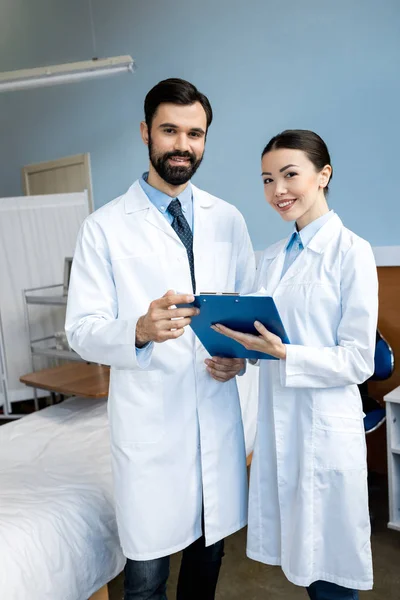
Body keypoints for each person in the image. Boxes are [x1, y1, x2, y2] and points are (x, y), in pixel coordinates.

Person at [65, 78, 256, 600]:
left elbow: (249, 312)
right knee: (146, 576)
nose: (182, 145)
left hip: (214, 414)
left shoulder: (229, 220)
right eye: (170, 130)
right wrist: (139, 331)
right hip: (150, 425)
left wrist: (238, 359)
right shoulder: (104, 227)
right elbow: (80, 330)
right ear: (146, 132)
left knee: (207, 560)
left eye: (195, 133)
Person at [212, 130, 378, 600]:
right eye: (267, 180)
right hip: (281, 424)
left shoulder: (352, 252)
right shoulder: (271, 260)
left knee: (331, 563)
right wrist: (240, 361)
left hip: (325, 426)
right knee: (304, 560)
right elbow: (266, 342)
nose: (277, 191)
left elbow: (358, 358)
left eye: (289, 175)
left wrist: (288, 353)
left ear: (323, 175)